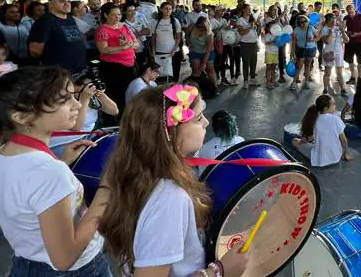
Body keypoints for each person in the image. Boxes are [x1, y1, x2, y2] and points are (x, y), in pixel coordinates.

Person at [98, 84, 250, 276]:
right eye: (197, 118)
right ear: (169, 135)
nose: (206, 123)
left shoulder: (144, 174)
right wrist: (219, 270)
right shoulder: (169, 198)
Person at [0, 66, 110, 276]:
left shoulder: (0, 156)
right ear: (22, 116)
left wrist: (61, 161)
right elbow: (64, 258)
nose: (76, 105)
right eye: (64, 100)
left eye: (73, 96)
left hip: (26, 264)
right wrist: (106, 191)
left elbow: (29, 199)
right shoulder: (48, 172)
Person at [50, 74, 119, 156]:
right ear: (75, 85)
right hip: (64, 142)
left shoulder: (92, 98)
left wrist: (100, 94)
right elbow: (76, 127)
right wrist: (84, 99)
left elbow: (114, 111)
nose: (92, 88)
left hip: (86, 136)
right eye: (89, 86)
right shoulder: (68, 99)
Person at [95, 3, 138, 119]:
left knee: (127, 93)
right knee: (113, 95)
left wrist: (128, 45)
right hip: (113, 67)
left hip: (129, 64)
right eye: (113, 15)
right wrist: (122, 48)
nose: (117, 17)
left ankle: (125, 118)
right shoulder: (103, 30)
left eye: (118, 14)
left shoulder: (124, 27)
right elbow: (103, 50)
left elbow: (136, 44)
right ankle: (112, 121)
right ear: (105, 15)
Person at [29, 0, 87, 74]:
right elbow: (35, 51)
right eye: (62, 1)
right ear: (51, 4)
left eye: (68, 1)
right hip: (58, 72)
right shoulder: (45, 21)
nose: (67, 4)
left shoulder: (69, 18)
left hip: (78, 68)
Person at [294, 94, 354, 166]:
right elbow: (344, 140)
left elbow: (308, 138)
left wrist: (300, 142)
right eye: (333, 104)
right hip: (336, 158)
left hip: (319, 160)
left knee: (294, 140)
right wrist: (345, 154)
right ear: (326, 108)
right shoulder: (336, 119)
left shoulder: (314, 120)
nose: (336, 106)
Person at [151, 1, 182, 83]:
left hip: (173, 53)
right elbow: (153, 37)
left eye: (170, 9)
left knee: (174, 75)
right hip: (159, 53)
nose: (168, 11)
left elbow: (178, 37)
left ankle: (173, 92)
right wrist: (153, 51)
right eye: (166, 9)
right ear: (161, 9)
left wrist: (174, 50)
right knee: (160, 75)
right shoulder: (156, 22)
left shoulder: (175, 21)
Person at [321, 12, 349, 96]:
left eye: (335, 18)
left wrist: (343, 32)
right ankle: (325, 89)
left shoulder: (338, 28)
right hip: (328, 53)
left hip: (339, 53)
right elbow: (327, 41)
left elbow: (347, 40)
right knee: (327, 72)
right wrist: (331, 31)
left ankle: (343, 89)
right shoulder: (324, 29)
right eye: (332, 19)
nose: (334, 20)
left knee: (339, 72)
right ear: (328, 21)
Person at [290, 14, 319, 91]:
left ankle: (306, 82)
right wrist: (292, 53)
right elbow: (294, 42)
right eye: (301, 22)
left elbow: (318, 37)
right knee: (299, 65)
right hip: (300, 49)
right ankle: (294, 82)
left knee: (308, 65)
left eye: (305, 21)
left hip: (310, 49)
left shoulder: (311, 28)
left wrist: (312, 40)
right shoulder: (296, 30)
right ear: (298, 23)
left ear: (308, 21)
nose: (303, 23)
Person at [236, 3, 261, 89]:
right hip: (245, 43)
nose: (249, 11)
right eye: (248, 9)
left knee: (254, 61)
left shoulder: (252, 19)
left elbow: (256, 29)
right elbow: (241, 32)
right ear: (243, 10)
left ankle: (253, 78)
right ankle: (246, 80)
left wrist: (257, 25)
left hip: (254, 43)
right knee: (246, 62)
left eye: (250, 9)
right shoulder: (240, 20)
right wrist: (250, 26)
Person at [122, 1, 151, 70]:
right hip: (130, 50)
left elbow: (148, 30)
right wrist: (140, 33)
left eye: (134, 10)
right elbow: (124, 37)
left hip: (142, 47)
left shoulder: (140, 19)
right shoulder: (122, 23)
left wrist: (137, 34)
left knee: (143, 67)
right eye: (130, 11)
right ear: (124, 12)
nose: (133, 12)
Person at [188, 17, 216, 85]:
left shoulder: (210, 34)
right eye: (199, 26)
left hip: (208, 52)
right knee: (196, 70)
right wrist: (189, 43)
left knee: (210, 69)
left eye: (203, 27)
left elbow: (208, 50)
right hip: (195, 50)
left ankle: (214, 87)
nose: (200, 28)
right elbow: (186, 34)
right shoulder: (192, 27)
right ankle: (196, 88)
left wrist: (203, 63)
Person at [344, 4, 361, 83]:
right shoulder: (346, 18)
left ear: (354, 9)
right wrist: (348, 33)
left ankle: (360, 75)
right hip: (349, 42)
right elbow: (342, 29)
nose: (350, 11)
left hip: (359, 42)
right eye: (348, 10)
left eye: (351, 9)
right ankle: (353, 77)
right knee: (350, 60)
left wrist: (358, 34)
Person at [210, 6, 229, 86]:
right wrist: (221, 28)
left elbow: (226, 30)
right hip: (215, 44)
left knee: (223, 61)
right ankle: (217, 77)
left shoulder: (224, 20)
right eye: (221, 11)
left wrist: (227, 29)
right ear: (216, 11)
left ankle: (223, 78)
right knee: (216, 61)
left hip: (224, 43)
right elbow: (210, 32)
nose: (222, 12)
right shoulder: (211, 21)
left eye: (223, 11)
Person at [221, 16, 240, 86]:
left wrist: (237, 43)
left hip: (237, 48)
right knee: (231, 62)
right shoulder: (228, 29)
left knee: (237, 62)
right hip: (229, 48)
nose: (233, 22)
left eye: (234, 21)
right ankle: (232, 77)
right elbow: (225, 38)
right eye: (231, 21)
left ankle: (236, 77)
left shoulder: (239, 29)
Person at [263, 21, 279, 89]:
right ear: (268, 28)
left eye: (273, 27)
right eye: (270, 27)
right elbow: (266, 43)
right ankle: (268, 82)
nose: (272, 28)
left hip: (276, 53)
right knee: (268, 68)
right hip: (269, 53)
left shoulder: (276, 35)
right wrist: (273, 41)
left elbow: (279, 43)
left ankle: (273, 80)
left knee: (273, 68)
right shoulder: (267, 35)